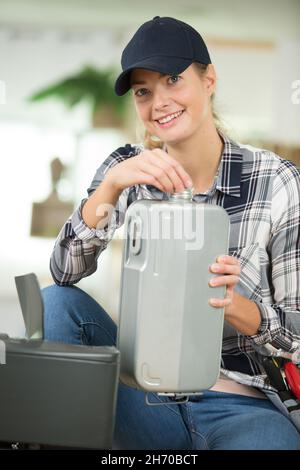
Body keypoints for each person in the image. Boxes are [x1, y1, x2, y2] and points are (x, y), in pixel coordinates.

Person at [42, 16, 300, 450]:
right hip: (145, 399)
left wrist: (236, 307)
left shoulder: (276, 180)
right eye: (144, 91)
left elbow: (297, 333)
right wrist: (110, 188)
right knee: (58, 302)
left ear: (209, 79)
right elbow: (64, 271)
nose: (159, 102)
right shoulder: (126, 169)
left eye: (174, 80)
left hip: (242, 406)